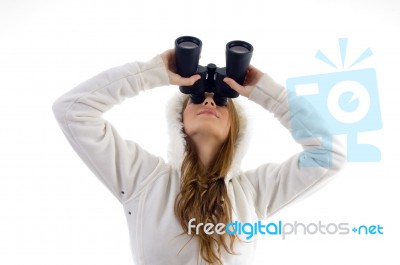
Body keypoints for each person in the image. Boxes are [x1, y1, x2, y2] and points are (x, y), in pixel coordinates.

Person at [52, 48, 346, 265]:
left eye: (220, 100)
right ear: (178, 120)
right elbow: (72, 111)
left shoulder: (255, 193)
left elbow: (329, 154)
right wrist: (152, 74)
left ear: (235, 127)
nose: (208, 99)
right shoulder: (142, 179)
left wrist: (263, 92)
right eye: (196, 97)